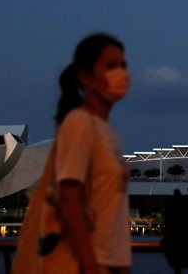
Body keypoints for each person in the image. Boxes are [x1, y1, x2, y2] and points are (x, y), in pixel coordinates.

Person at [54, 32, 132, 273]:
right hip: (91, 264)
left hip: (112, 262)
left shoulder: (108, 131)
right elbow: (70, 198)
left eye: (123, 66)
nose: (121, 73)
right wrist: (90, 265)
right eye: (110, 66)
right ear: (85, 76)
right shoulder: (80, 122)